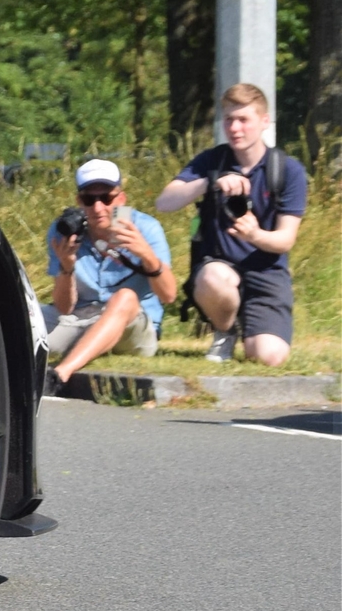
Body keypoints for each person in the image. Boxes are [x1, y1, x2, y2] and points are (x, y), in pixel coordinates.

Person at [155, 83, 306, 366]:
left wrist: (255, 234)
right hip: (219, 267)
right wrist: (208, 182)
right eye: (228, 120)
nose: (235, 128)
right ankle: (224, 330)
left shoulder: (287, 170)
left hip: (267, 271)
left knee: (268, 357)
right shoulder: (212, 160)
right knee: (213, 278)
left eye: (243, 120)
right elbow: (164, 203)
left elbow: (285, 240)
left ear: (264, 122)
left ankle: (253, 328)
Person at [45, 158, 177, 385]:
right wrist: (67, 266)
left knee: (124, 297)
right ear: (79, 201)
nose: (98, 208)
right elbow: (64, 307)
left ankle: (61, 373)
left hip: (134, 328)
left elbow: (169, 295)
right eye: (89, 199)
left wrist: (147, 256)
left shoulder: (144, 227)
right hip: (83, 319)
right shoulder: (66, 232)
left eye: (106, 198)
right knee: (23, 311)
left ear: (121, 198)